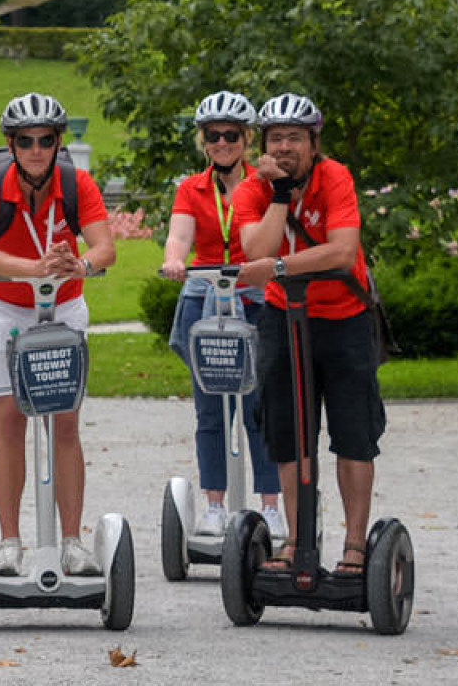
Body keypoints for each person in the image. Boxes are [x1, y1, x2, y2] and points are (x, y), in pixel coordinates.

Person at [0, 92, 116, 577]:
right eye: (25, 140)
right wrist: (33, 268)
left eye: (45, 140)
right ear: (11, 144)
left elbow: (105, 246)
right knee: (10, 421)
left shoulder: (76, 183)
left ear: (57, 142)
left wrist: (81, 264)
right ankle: (10, 542)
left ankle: (72, 541)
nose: (35, 149)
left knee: (65, 423)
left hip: (64, 307)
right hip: (6, 308)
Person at [232, 93, 384, 575]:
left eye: (295, 138)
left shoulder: (334, 177)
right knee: (290, 434)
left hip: (343, 317)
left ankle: (355, 547)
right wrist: (279, 195)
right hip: (282, 318)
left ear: (313, 143)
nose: (284, 147)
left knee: (352, 433)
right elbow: (253, 249)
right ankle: (296, 541)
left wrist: (278, 266)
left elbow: (341, 252)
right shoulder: (253, 189)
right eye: (275, 138)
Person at [158, 92, 284, 540]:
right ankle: (213, 504)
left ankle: (270, 505)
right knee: (210, 408)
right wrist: (175, 259)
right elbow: (179, 236)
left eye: (232, 134)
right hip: (206, 292)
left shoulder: (266, 183)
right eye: (214, 135)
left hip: (255, 294)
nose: (223, 143)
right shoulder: (191, 188)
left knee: (259, 406)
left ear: (247, 138)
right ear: (204, 141)